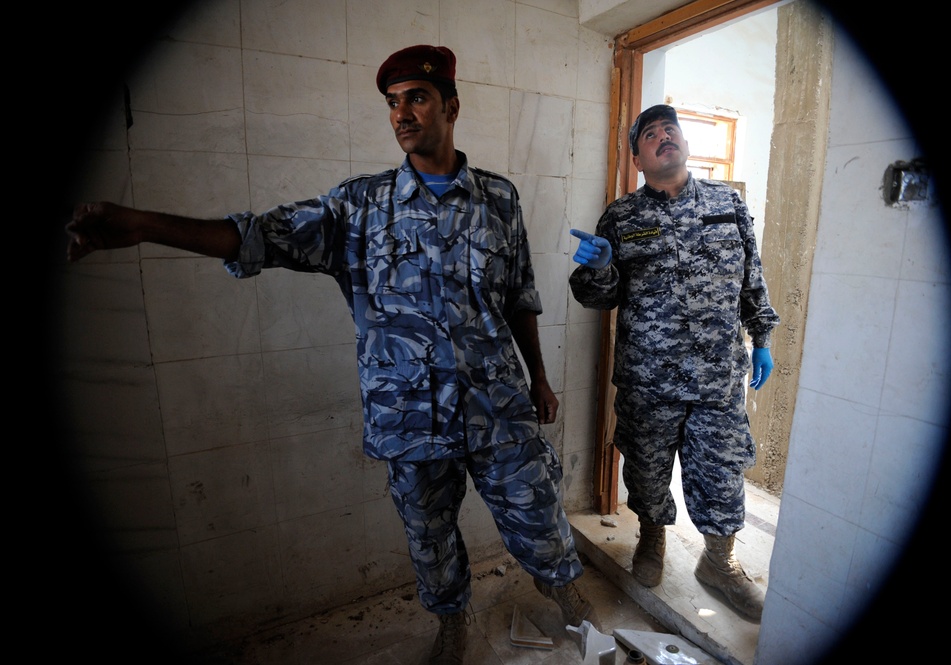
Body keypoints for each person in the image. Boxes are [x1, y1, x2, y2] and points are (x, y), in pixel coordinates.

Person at [66, 44, 596, 664]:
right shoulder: (358, 206)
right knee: (429, 537)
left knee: (538, 508)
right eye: (393, 103)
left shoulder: (499, 199)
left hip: (498, 405)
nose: (401, 113)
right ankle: (452, 624)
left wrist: (540, 379)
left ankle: (564, 589)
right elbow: (258, 235)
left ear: (451, 106)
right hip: (409, 419)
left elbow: (520, 296)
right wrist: (145, 226)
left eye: (417, 98)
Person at [568, 104, 779, 622]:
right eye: (651, 135)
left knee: (722, 471)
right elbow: (598, 298)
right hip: (649, 377)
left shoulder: (727, 203)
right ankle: (651, 538)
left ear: (685, 144)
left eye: (671, 130)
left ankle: (719, 562)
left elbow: (751, 274)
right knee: (645, 467)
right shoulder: (622, 217)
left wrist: (763, 335)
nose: (665, 137)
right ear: (638, 158)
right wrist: (598, 270)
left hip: (717, 375)